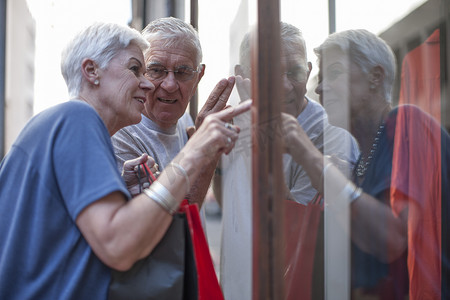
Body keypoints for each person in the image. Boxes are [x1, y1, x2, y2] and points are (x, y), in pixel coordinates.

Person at [0, 22, 251, 299]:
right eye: (136, 69)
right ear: (91, 71)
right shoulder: (76, 118)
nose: (147, 83)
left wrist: (125, 188)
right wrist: (195, 154)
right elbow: (119, 246)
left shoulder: (69, 125)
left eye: (147, 71)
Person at [281, 28, 449, 299]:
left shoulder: (408, 124)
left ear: (376, 76)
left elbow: (393, 238)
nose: (321, 87)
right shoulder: (361, 162)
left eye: (334, 73)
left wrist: (308, 155)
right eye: (320, 78)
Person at [217, 22, 360, 300]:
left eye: (293, 72)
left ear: (307, 71)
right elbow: (231, 208)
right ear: (242, 76)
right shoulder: (237, 122)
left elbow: (294, 236)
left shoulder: (331, 137)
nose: (283, 86)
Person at [112, 17, 235, 206]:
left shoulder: (185, 121)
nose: (169, 85)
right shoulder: (120, 134)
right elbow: (175, 220)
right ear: (138, 72)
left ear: (198, 77)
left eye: (182, 72)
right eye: (156, 70)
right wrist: (205, 151)